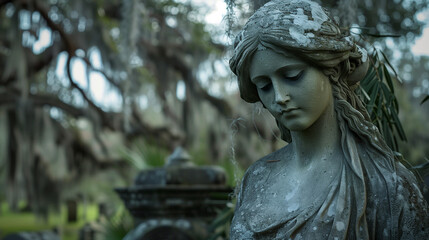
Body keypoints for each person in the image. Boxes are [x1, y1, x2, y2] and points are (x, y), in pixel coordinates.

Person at [228, 0, 429, 239]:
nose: (279, 97)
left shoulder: (385, 184)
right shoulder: (256, 177)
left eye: (292, 76)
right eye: (264, 85)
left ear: (330, 70)